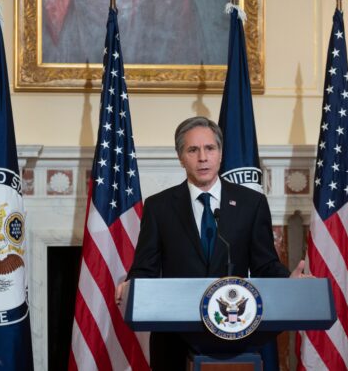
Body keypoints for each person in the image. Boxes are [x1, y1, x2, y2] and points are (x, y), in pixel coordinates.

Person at [116, 116, 308, 370]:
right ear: (180, 157)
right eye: (193, 150)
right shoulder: (159, 207)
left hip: (234, 337)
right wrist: (131, 285)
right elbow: (145, 268)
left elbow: (265, 264)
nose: (203, 158)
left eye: (210, 148)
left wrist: (289, 283)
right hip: (175, 341)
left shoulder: (251, 204)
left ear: (220, 153)